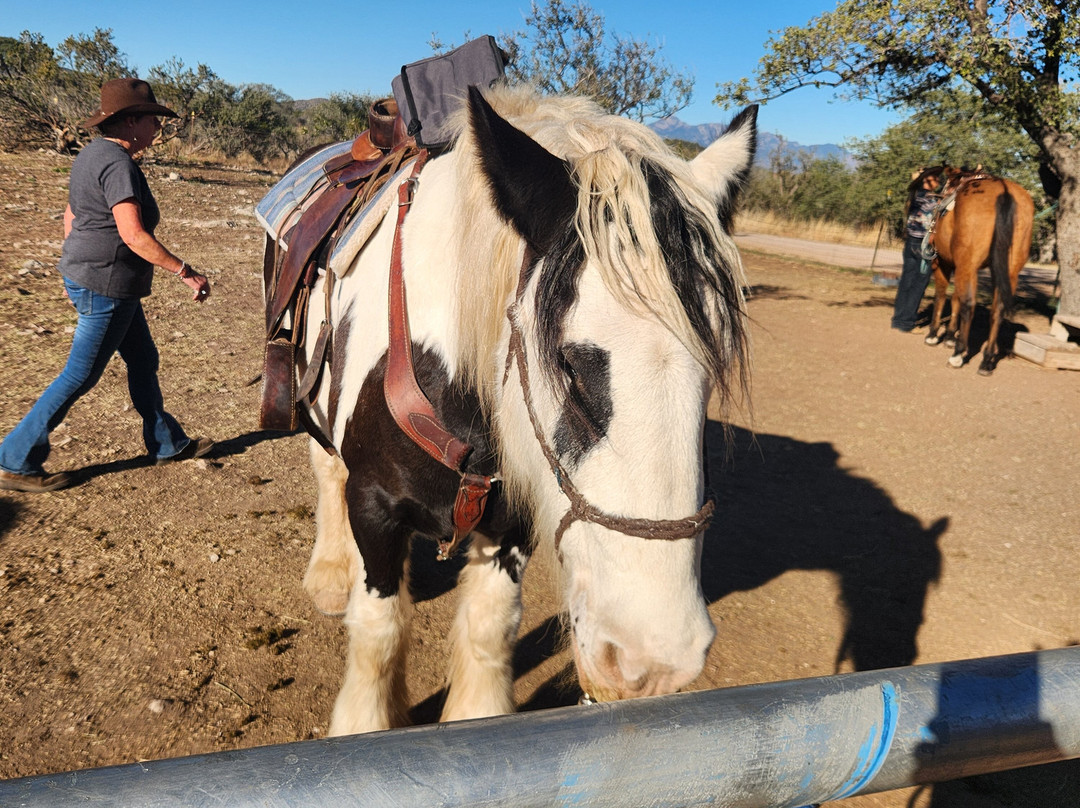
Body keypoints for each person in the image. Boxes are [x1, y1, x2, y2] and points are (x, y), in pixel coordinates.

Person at [0, 78, 214, 493]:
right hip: (108, 286)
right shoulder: (118, 165)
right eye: (152, 120)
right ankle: (14, 459)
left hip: (97, 278)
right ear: (131, 122)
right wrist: (186, 271)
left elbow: (71, 214)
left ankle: (166, 442)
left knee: (143, 359)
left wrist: (73, 265)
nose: (157, 128)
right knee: (79, 375)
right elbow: (133, 235)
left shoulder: (90, 154)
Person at [891, 169, 941, 332]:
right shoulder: (930, 200)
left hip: (910, 244)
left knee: (906, 280)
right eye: (936, 179)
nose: (939, 181)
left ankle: (898, 319)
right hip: (923, 245)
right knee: (919, 283)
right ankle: (907, 322)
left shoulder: (914, 196)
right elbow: (942, 208)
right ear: (927, 182)